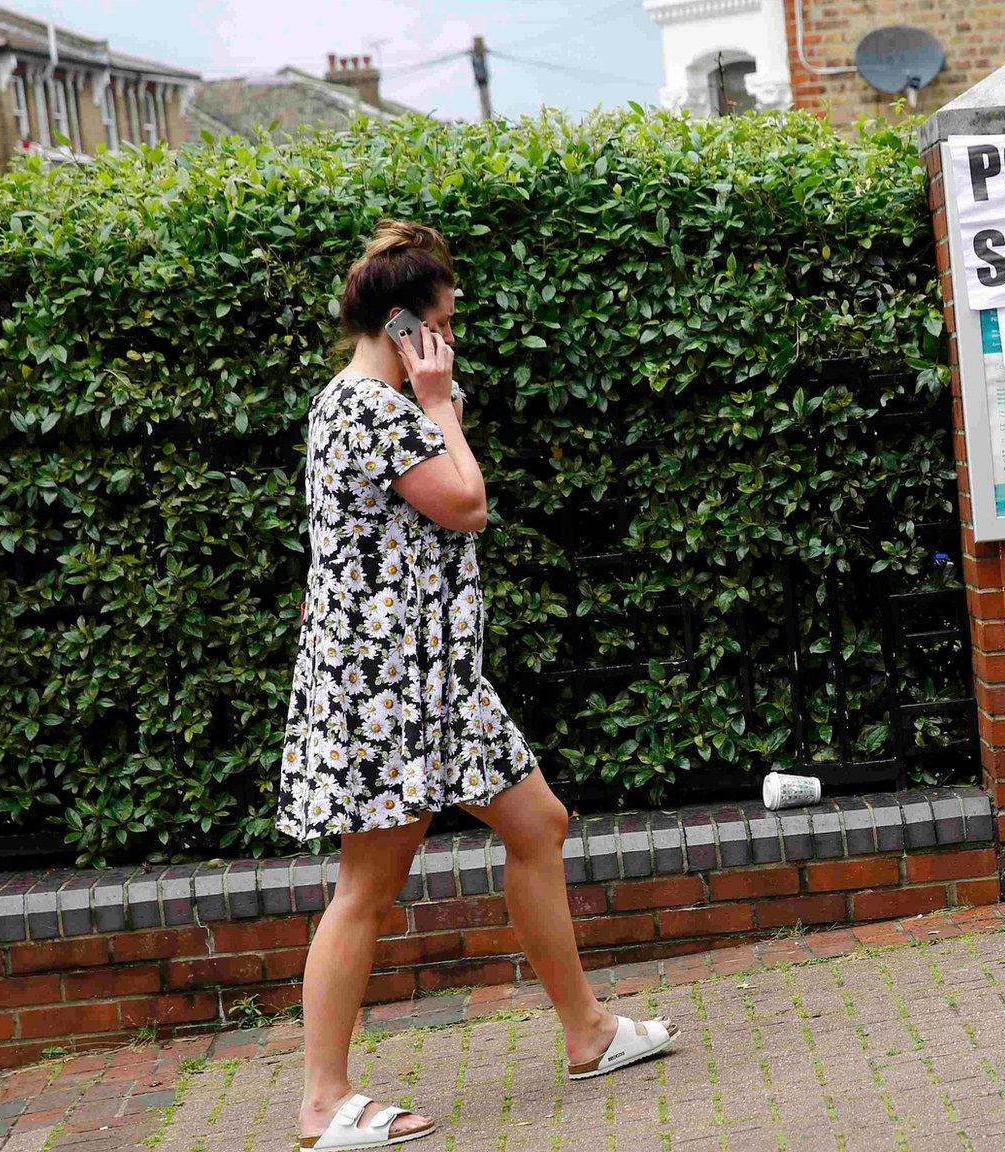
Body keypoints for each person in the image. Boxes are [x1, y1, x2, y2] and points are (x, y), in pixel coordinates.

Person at [278, 220, 674, 1149]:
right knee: (367, 887)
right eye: (443, 324)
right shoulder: (372, 409)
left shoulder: (359, 405)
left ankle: (587, 1034)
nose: (452, 340)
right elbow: (468, 504)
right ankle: (321, 1101)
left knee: (539, 823)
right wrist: (441, 401)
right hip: (387, 686)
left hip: (438, 679)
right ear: (407, 325)